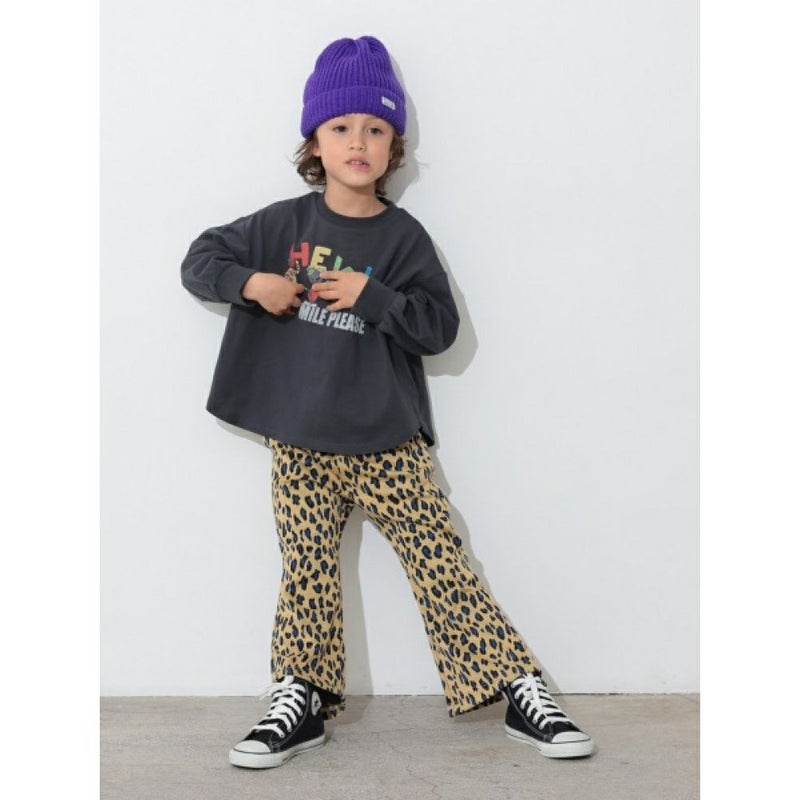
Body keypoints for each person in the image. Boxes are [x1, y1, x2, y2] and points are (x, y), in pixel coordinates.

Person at [181, 35, 594, 769]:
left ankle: (519, 691)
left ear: (393, 143)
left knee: (443, 564)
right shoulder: (279, 226)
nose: (358, 142)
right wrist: (252, 283)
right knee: (306, 570)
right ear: (315, 140)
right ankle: (300, 699)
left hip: (386, 439)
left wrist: (374, 296)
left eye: (375, 128)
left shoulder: (404, 238)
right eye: (341, 127)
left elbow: (439, 329)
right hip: (300, 439)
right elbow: (200, 258)